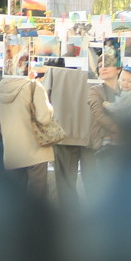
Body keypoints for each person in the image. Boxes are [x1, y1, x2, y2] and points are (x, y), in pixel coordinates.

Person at [42, 61, 92, 205]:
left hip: (63, 133)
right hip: (92, 134)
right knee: (94, 183)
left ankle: (69, 219)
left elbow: (45, 99)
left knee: (65, 184)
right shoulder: (96, 70)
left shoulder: (54, 72)